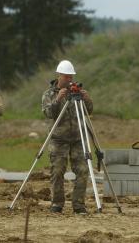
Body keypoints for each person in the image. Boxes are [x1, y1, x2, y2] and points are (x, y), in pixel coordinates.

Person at [42, 60, 93, 214]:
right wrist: (58, 100)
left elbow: (88, 112)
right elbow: (48, 113)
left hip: (78, 138)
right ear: (59, 76)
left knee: (83, 171)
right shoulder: (49, 94)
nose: (70, 80)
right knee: (57, 172)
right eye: (67, 77)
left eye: (71, 77)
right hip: (58, 139)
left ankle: (79, 205)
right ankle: (57, 204)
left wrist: (86, 99)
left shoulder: (75, 93)